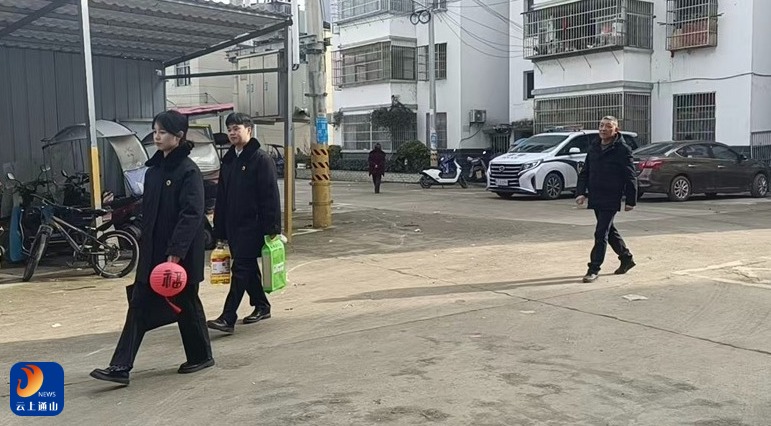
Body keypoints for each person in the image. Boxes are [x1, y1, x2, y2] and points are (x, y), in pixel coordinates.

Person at [91, 110, 213, 385]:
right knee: (139, 303)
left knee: (187, 303)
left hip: (178, 255)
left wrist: (176, 252)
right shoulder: (154, 171)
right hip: (152, 252)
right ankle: (120, 367)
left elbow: (192, 214)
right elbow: (147, 210)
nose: (156, 137)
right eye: (155, 131)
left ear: (178, 137)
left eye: (162, 132)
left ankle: (201, 356)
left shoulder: (188, 171)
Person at [207, 112, 281, 334]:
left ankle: (228, 317)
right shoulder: (229, 160)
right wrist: (219, 228)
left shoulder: (261, 159)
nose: (232, 133)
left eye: (236, 128)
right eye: (229, 129)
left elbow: (270, 196)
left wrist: (273, 228)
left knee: (240, 268)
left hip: (253, 225)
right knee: (246, 268)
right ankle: (262, 305)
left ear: (249, 130)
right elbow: (222, 197)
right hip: (233, 226)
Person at [576, 116, 638, 283]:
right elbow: (585, 171)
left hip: (611, 196)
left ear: (615, 130)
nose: (603, 129)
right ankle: (626, 258)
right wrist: (581, 192)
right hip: (596, 195)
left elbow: (630, 176)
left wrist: (631, 200)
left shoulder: (622, 149)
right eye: (601, 125)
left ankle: (593, 269)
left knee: (600, 232)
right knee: (609, 231)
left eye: (608, 126)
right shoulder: (594, 146)